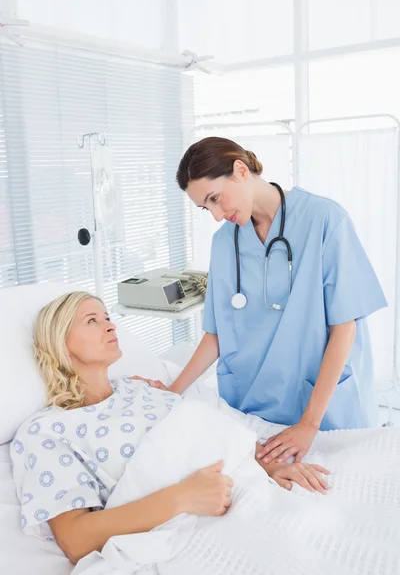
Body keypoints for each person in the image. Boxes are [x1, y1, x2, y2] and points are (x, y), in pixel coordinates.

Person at [11, 292, 329, 565]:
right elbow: (75, 540)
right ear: (59, 341)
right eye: (92, 320)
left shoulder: (142, 390)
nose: (110, 324)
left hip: (239, 492)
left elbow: (202, 438)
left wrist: (262, 465)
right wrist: (182, 498)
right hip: (181, 532)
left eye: (107, 316)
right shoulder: (46, 431)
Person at [168, 136, 387, 465]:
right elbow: (216, 335)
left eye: (215, 199)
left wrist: (308, 425)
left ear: (240, 171)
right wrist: (170, 393)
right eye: (206, 207)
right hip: (253, 408)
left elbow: (345, 329)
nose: (215, 215)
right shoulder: (225, 242)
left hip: (322, 413)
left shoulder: (324, 219)